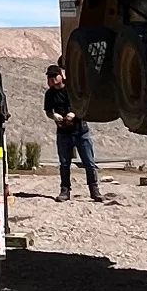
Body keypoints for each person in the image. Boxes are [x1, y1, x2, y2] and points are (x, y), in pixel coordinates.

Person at [44, 61, 102, 202]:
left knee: (89, 162)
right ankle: (65, 190)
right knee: (64, 164)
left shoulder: (73, 88)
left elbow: (83, 104)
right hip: (63, 132)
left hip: (80, 131)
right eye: (49, 77)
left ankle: (94, 190)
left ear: (61, 76)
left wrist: (74, 113)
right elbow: (48, 111)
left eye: (54, 76)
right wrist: (54, 116)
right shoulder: (50, 94)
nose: (52, 79)